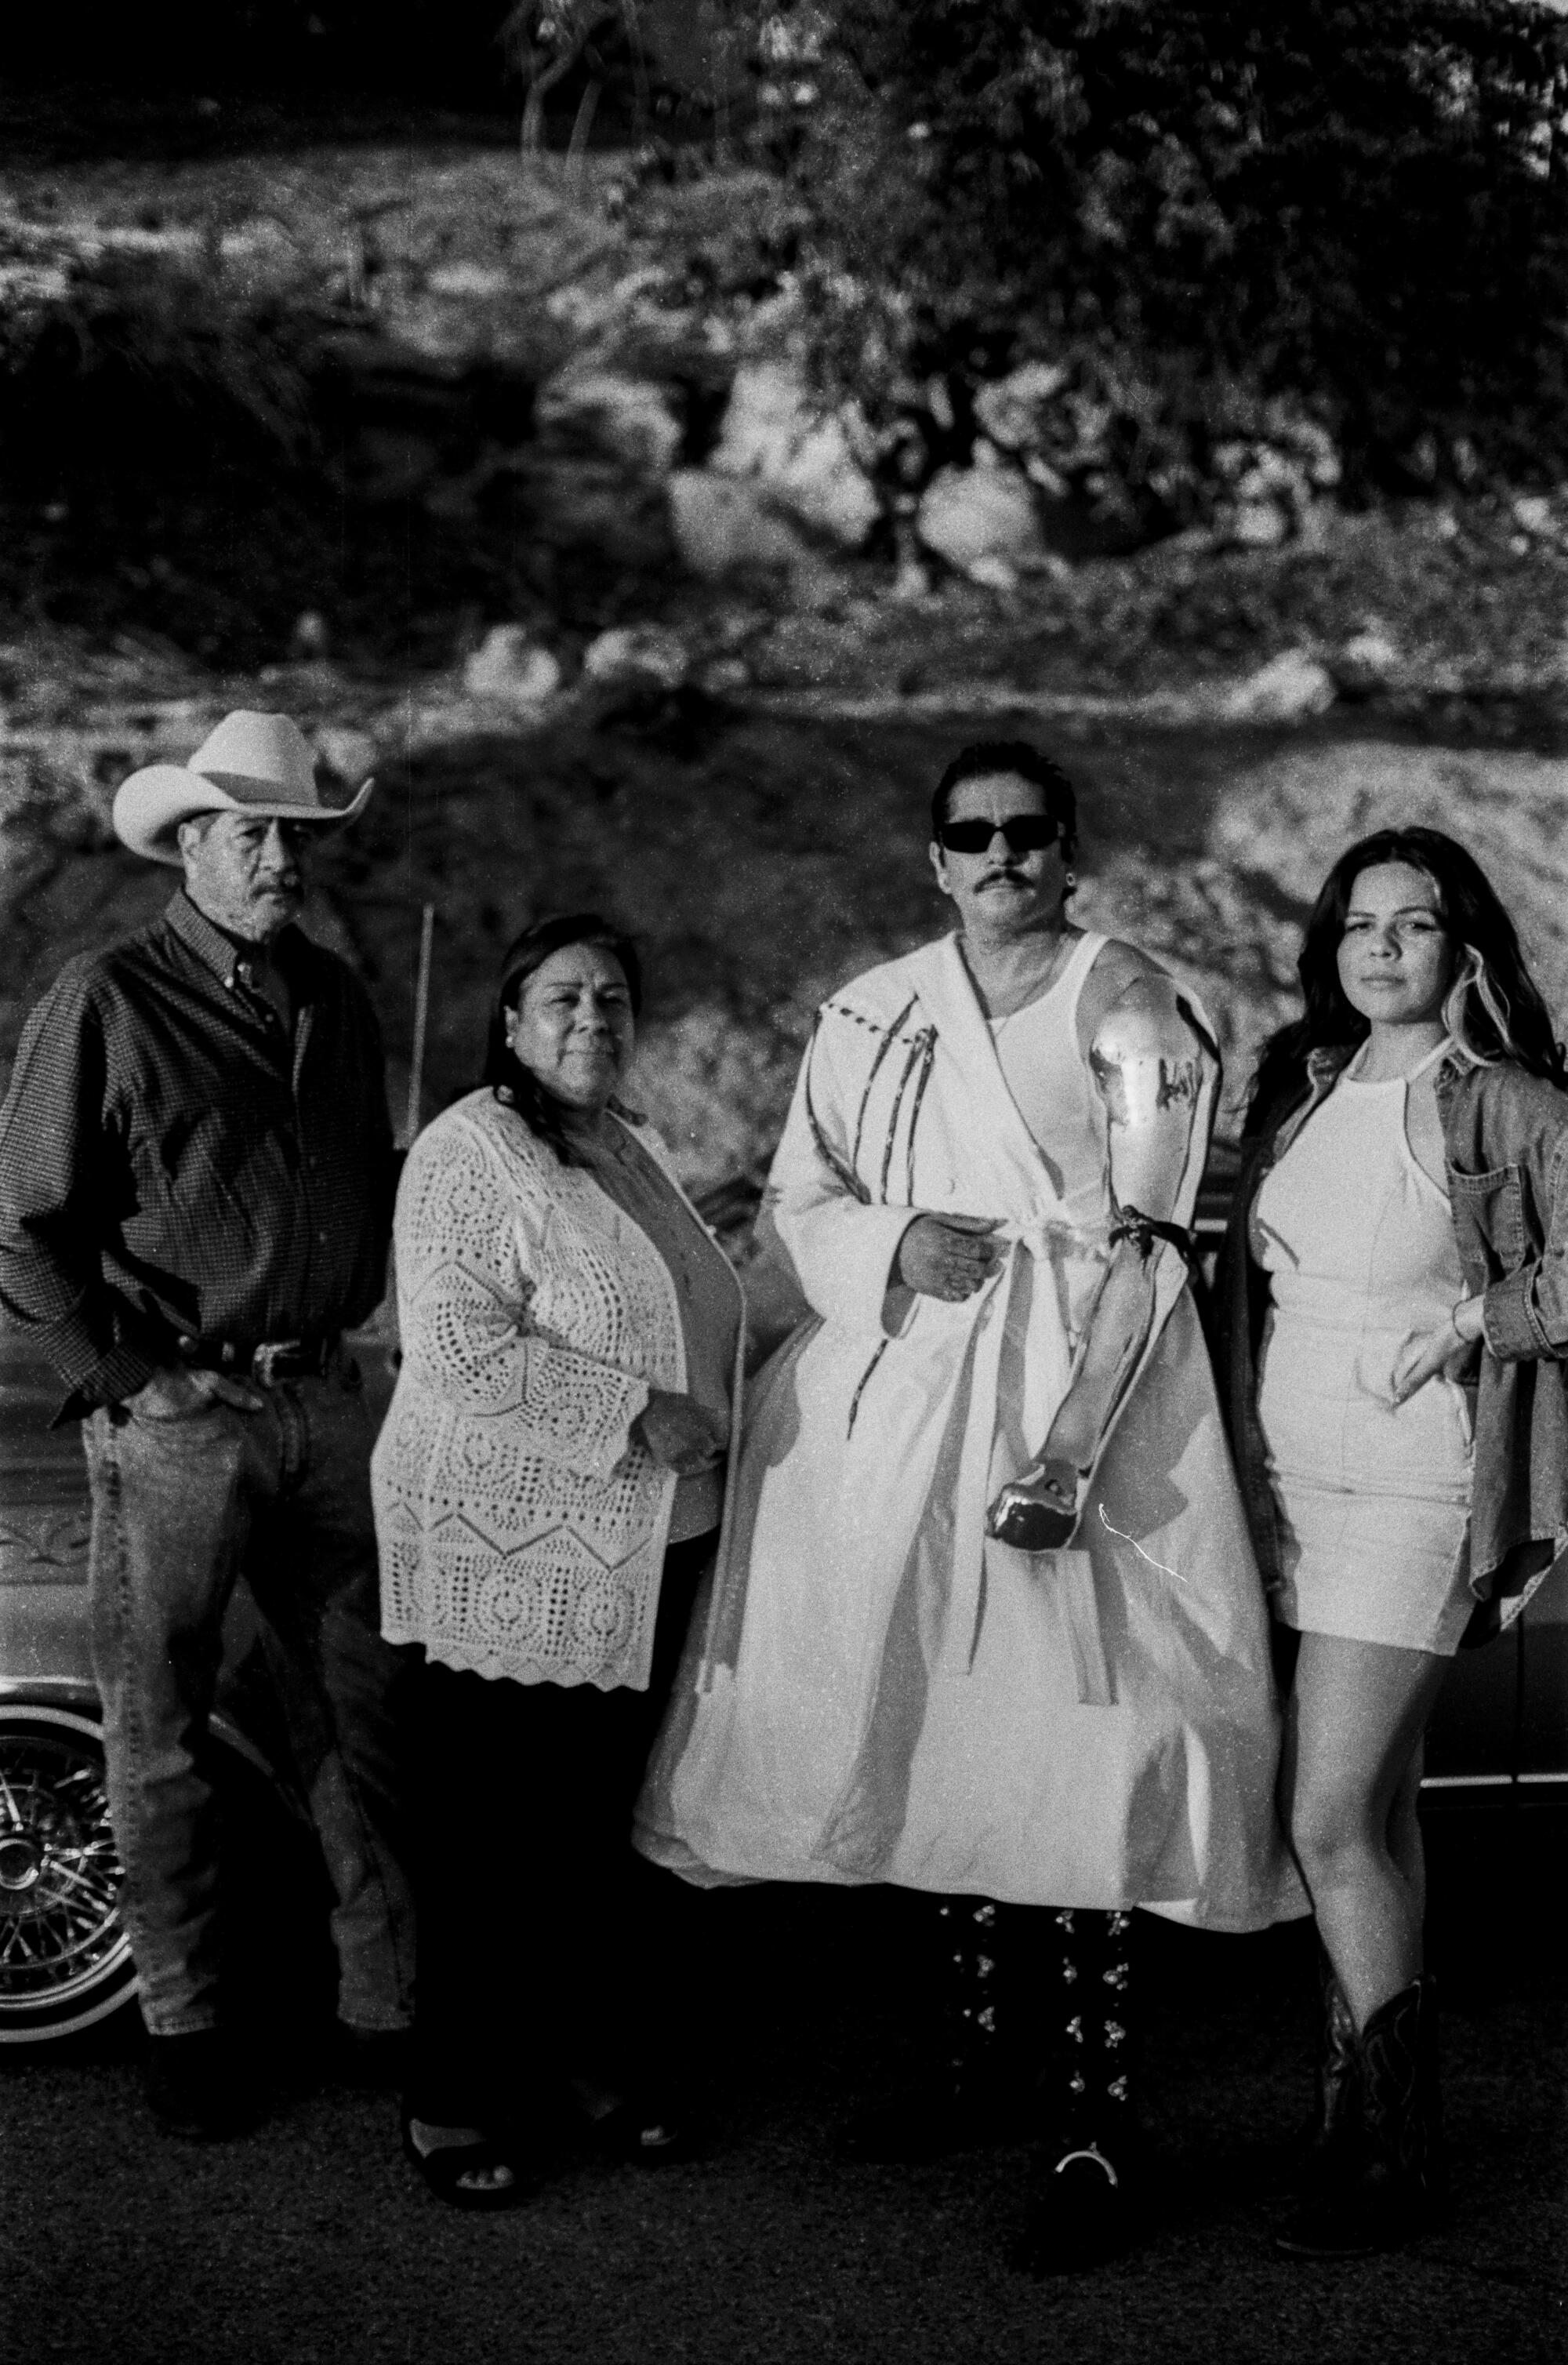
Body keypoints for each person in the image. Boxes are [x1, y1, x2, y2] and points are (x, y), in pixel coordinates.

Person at [636, 741, 1305, 2272]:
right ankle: (978, 2059)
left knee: (1077, 1745)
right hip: (914, 1398)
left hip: (1092, 1402)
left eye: (1028, 832)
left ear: (1067, 851)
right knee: (938, 1726)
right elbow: (796, 1195)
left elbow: (1151, 1236)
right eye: (970, 835)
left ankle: (1098, 2113)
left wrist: (1066, 1455)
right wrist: (890, 1244)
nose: (1000, 854)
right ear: (934, 858)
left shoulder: (1130, 1001)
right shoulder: (872, 1010)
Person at [0, 709, 413, 2137]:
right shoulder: (105, 996)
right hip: (178, 1416)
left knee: (357, 1717)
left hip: (330, 1404)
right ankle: (186, 2020)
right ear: (187, 843)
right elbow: (20, 1225)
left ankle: (385, 2010)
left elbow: (378, 1184)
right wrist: (129, 1376)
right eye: (252, 830)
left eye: (298, 831)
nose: (281, 856)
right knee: (159, 1726)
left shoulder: (345, 1004)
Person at [1217, 825, 1568, 2258]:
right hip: (1291, 1490)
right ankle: (1367, 2122)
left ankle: (1387, 2151)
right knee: (1382, 1819)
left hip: (1412, 1495)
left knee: (1321, 1821)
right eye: (1361, 925)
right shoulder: (1299, 1094)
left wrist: (1479, 1322)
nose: (1382, 949)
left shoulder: (1499, 1100)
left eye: (1415, 926)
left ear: (1461, 946)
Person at [374, 912, 744, 2209]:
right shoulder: (468, 1150)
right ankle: (454, 2094)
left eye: (612, 999)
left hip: (639, 1554)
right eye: (563, 999)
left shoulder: (622, 1142)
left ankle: (587, 2062)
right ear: (513, 1020)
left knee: (595, 1836)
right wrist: (635, 1415)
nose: (593, 1019)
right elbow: (460, 1347)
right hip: (515, 1551)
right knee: (492, 1842)